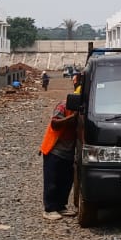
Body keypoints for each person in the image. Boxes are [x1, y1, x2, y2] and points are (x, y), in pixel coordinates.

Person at [39, 90, 80, 220]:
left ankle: (61, 206)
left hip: (68, 152)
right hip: (54, 150)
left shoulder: (83, 111)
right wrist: (71, 118)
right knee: (52, 181)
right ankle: (49, 209)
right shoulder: (63, 106)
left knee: (65, 182)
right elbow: (55, 124)